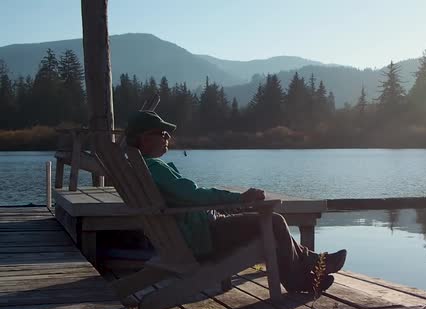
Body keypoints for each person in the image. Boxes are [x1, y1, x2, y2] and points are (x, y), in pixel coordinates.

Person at [125, 110, 347, 293]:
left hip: (188, 233)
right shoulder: (153, 167)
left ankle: (312, 262)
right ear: (145, 138)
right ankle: (297, 279)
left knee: (268, 223)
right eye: (163, 133)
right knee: (274, 221)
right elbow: (193, 194)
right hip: (201, 237)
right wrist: (240, 198)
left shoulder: (138, 167)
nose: (167, 138)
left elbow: (186, 196)